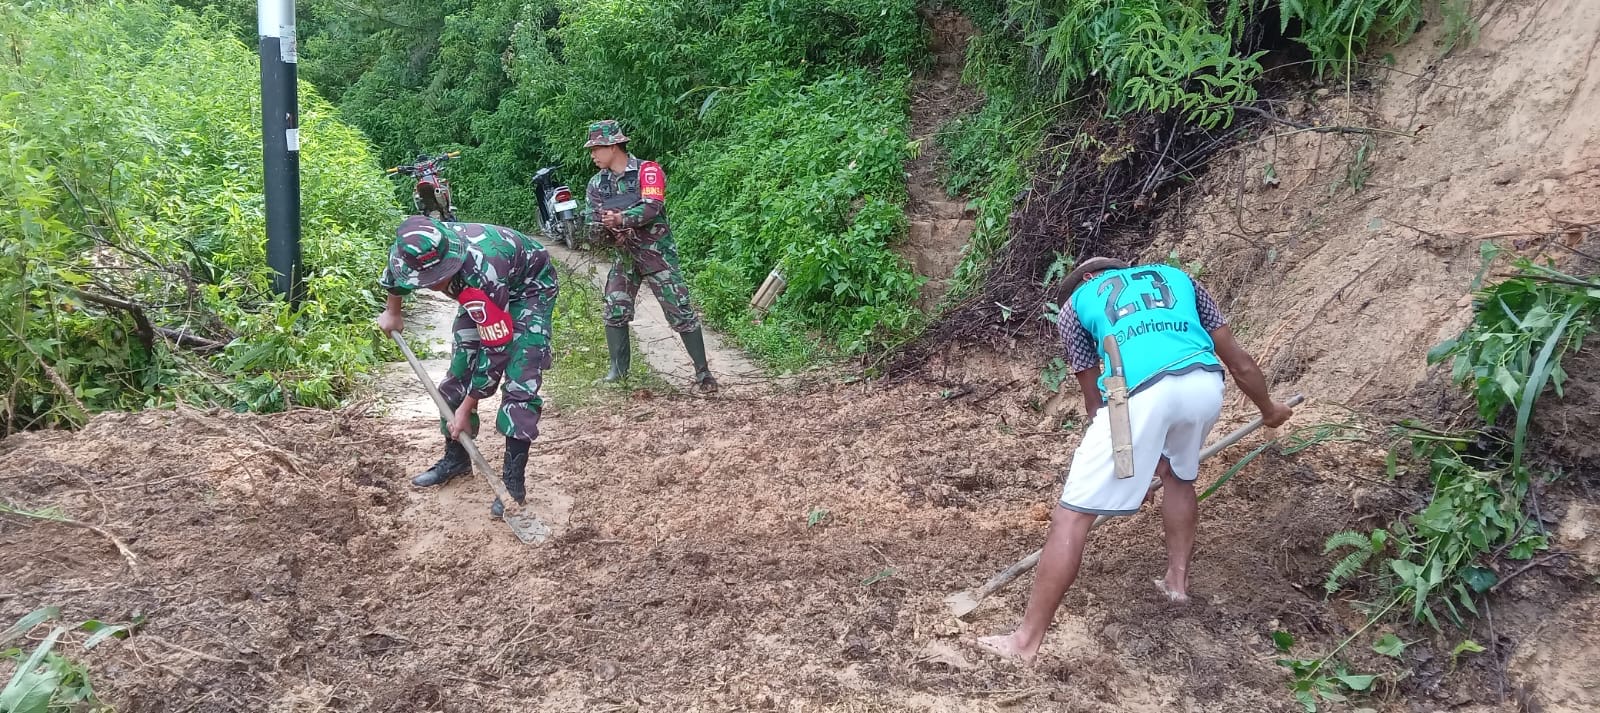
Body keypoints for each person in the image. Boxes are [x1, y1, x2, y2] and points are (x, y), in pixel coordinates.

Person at [977, 257, 1293, 662]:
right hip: (1203, 384)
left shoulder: (1075, 306)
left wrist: (1129, 465)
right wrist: (1268, 409)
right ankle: (1176, 584)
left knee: (1070, 518)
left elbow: (1098, 403)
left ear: (1087, 279)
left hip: (1140, 391)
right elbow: (1239, 360)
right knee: (1180, 478)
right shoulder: (1181, 280)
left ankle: (1023, 644)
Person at [376, 215, 559, 517]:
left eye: (439, 275)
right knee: (457, 374)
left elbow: (496, 349)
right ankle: (457, 460)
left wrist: (468, 406)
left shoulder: (482, 270)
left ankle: (512, 483)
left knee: (520, 378)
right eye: (426, 278)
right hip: (479, 292)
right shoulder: (407, 251)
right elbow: (394, 278)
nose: (434, 284)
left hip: (528, 289)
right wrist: (392, 311)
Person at [581, 119, 718, 393]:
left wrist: (621, 218)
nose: (593, 155)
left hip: (657, 255)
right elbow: (592, 222)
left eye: (596, 148)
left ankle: (703, 373)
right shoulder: (597, 184)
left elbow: (652, 207)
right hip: (625, 258)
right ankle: (618, 372)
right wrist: (605, 232)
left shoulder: (648, 171)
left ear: (613, 145)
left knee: (680, 312)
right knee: (615, 309)